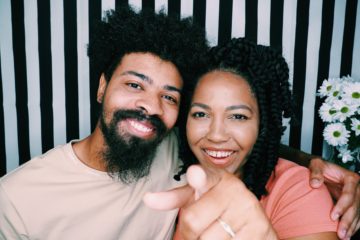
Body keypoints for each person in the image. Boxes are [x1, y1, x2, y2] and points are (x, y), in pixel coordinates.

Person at [0, 5, 359, 240]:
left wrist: (312, 163)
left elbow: (232, 146)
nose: (149, 107)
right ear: (102, 86)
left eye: (169, 96)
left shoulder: (174, 149)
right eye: (134, 85)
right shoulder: (14, 199)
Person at [144, 38, 358, 240]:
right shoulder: (167, 162)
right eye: (201, 114)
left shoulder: (299, 189)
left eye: (238, 117)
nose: (216, 135)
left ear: (261, 125)